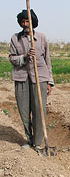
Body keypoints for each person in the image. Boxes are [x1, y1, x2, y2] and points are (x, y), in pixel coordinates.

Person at [9, 9, 54, 151]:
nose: (25, 24)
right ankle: (29, 140)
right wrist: (25, 56)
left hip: (39, 78)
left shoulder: (42, 38)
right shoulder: (15, 38)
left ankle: (38, 143)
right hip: (21, 79)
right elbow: (12, 58)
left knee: (39, 111)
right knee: (24, 111)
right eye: (22, 21)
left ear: (33, 22)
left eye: (27, 21)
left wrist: (49, 82)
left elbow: (48, 61)